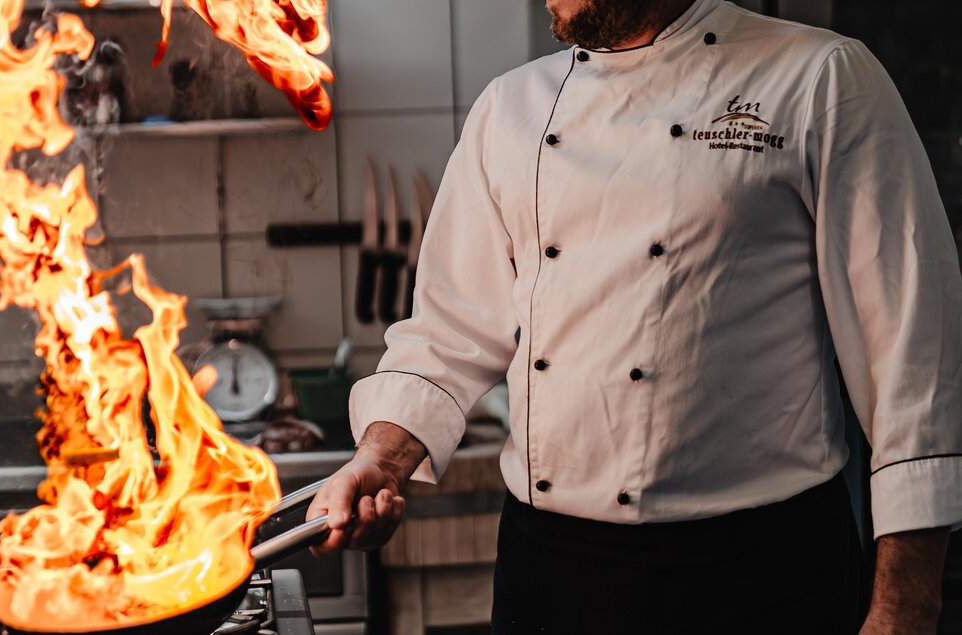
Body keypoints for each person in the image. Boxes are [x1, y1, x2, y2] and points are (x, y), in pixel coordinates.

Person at [306, 0, 962, 632]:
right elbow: (446, 335)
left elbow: (912, 359)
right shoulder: (509, 109)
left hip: (759, 573)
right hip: (551, 573)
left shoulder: (820, 78)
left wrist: (906, 607)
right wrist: (382, 460)